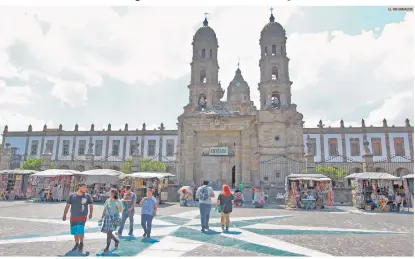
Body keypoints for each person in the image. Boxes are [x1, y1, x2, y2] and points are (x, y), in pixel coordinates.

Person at [62, 183, 94, 253]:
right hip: (73, 216)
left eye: (86, 187)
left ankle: (81, 243)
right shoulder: (72, 196)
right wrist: (64, 214)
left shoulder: (87, 196)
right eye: (84, 187)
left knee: (80, 229)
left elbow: (91, 205)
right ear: (79, 187)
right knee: (75, 230)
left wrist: (91, 213)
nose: (85, 189)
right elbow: (67, 205)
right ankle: (77, 243)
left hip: (82, 216)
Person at [99, 189, 122, 253]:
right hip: (107, 218)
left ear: (114, 194)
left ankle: (107, 247)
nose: (109, 194)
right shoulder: (107, 200)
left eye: (111, 193)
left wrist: (118, 206)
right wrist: (101, 218)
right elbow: (104, 210)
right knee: (108, 233)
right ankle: (116, 240)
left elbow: (120, 211)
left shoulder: (118, 201)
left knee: (109, 233)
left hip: (114, 218)